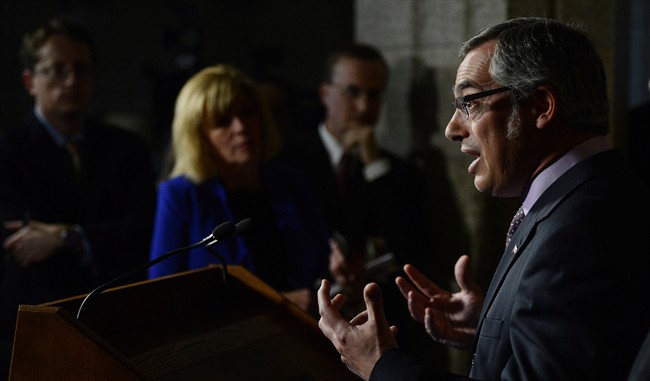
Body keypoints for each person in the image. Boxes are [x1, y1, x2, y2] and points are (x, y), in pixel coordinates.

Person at [317, 17, 650, 381]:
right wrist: (493, 323)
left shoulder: (578, 230)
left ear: (540, 106)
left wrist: (381, 365)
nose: (452, 128)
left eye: (469, 103)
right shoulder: (597, 196)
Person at [276, 43, 454, 364]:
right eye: (352, 92)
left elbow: (411, 246)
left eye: (374, 95)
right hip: (305, 325)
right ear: (325, 94)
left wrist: (374, 166)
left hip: (379, 333)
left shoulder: (397, 172)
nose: (364, 106)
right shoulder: (287, 161)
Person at [0, 18, 156, 377]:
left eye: (81, 69)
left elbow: (141, 230)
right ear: (30, 81)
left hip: (111, 317)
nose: (71, 81)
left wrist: (64, 237)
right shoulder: (7, 150)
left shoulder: (126, 148)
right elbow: (17, 239)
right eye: (56, 70)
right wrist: (99, 236)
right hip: (29, 320)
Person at [148, 64, 330, 314]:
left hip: (306, 335)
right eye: (223, 121)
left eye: (247, 114)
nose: (241, 128)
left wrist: (340, 276)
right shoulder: (180, 195)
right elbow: (161, 295)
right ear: (199, 135)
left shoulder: (292, 183)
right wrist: (277, 302)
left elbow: (320, 265)